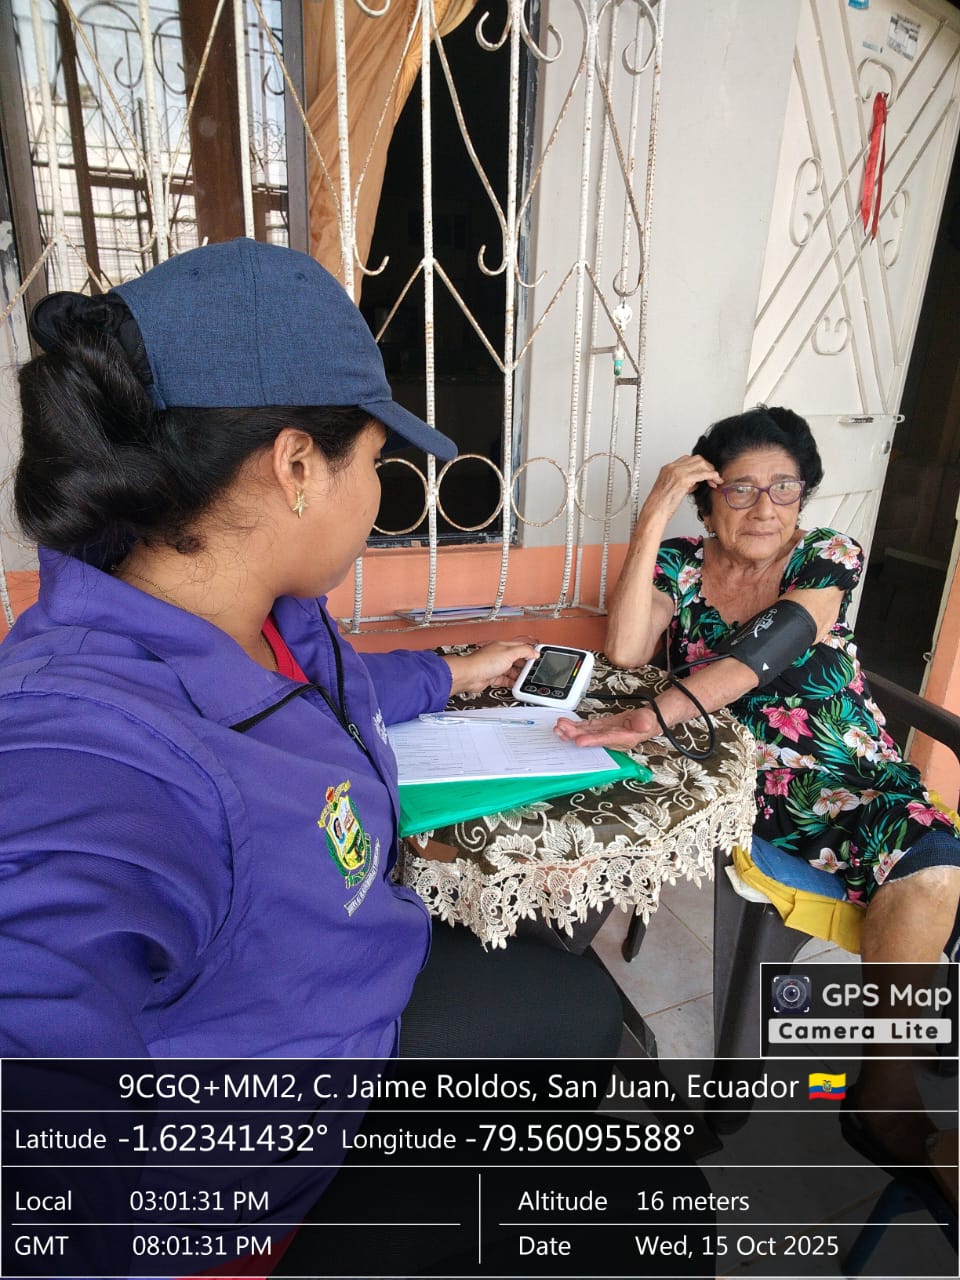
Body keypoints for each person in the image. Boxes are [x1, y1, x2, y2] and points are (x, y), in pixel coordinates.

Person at [0, 237, 624, 1065]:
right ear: (297, 465)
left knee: (573, 994)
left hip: (358, 973)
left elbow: (321, 697)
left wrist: (453, 672)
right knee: (582, 1014)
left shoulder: (265, 614)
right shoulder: (88, 746)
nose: (377, 490)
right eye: (375, 459)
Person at [556, 405, 960, 1172]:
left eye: (784, 488)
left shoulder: (827, 553)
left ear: (803, 497)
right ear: (708, 504)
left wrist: (656, 713)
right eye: (739, 490)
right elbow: (626, 650)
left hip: (860, 764)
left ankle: (887, 1074)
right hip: (757, 775)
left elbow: (776, 644)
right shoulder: (679, 564)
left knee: (934, 862)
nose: (765, 508)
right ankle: (888, 1094)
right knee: (929, 863)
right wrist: (651, 517)